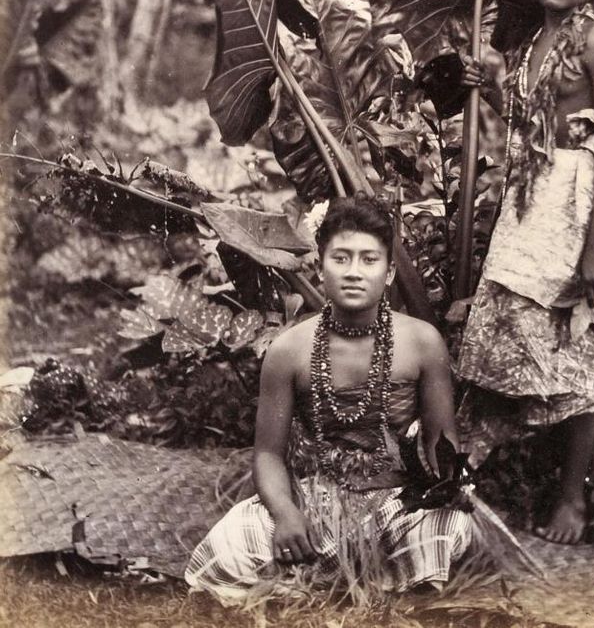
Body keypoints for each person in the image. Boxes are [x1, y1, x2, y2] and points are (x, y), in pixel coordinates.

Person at [185, 195, 520, 605]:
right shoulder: (289, 350)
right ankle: (343, 575)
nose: (354, 273)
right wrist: (288, 514)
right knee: (232, 543)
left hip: (398, 505)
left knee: (447, 529)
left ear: (390, 271)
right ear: (320, 266)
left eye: (368, 260)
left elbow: (441, 446)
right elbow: (268, 455)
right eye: (340, 258)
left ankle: (397, 585)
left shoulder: (421, 342)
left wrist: (445, 489)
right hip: (317, 503)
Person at [457, 0, 594, 545]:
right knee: (513, 333)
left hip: (581, 207)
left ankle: (572, 503)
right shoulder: (531, 44)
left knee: (577, 351)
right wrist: (494, 84)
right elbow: (533, 124)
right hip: (531, 203)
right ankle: (475, 473)